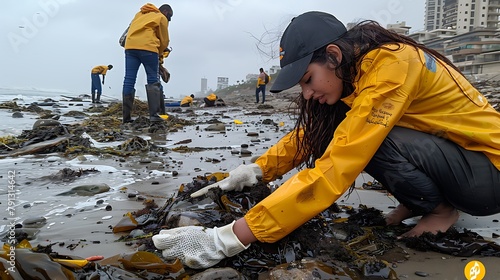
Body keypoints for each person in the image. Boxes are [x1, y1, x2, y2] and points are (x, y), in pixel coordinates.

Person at [152, 11, 500, 269]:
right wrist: (257, 170)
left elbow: (338, 164)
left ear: (333, 55)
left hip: (488, 175)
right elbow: (306, 138)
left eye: (307, 79)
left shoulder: (392, 65)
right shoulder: (355, 72)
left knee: (372, 139)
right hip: (458, 163)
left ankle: (439, 211)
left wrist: (229, 238)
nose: (305, 93)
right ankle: (421, 200)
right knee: (358, 133)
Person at [121, 3, 173, 123]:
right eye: (169, 17)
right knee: (153, 79)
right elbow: (164, 41)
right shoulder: (161, 17)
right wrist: (159, 55)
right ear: (165, 12)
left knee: (129, 79)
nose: (169, 20)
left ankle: (126, 118)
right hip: (148, 49)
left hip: (130, 47)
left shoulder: (139, 14)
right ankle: (155, 116)